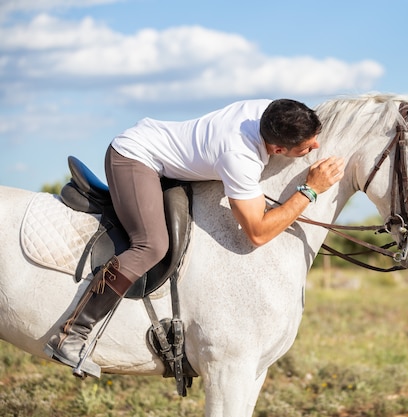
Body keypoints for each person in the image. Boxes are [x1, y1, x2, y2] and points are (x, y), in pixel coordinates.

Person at [45, 98, 345, 377]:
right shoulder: (239, 157)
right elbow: (257, 232)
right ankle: (72, 334)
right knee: (151, 245)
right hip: (135, 156)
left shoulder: (273, 111)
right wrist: (310, 190)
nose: (316, 146)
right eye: (307, 148)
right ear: (278, 150)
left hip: (164, 150)